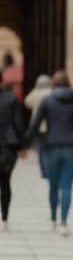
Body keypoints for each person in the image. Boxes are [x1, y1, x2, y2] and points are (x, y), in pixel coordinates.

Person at [24, 70, 73, 236]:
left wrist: (25, 144)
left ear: (53, 85)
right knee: (67, 186)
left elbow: (35, 124)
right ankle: (64, 222)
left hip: (51, 146)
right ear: (69, 83)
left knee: (53, 186)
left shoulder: (47, 101)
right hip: (72, 147)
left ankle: (53, 219)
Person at [0, 70, 26, 232]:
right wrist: (23, 146)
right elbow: (19, 124)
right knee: (5, 183)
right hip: (8, 147)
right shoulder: (11, 99)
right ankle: (4, 218)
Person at [24, 74, 52, 178]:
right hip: (50, 126)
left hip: (38, 126)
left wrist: (35, 90)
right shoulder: (52, 92)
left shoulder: (35, 93)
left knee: (41, 149)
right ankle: (50, 170)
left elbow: (26, 102)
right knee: (49, 149)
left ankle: (44, 172)